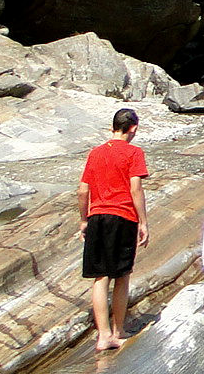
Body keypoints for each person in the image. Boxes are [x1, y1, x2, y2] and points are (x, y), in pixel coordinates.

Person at [77, 108, 149, 351]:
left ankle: (103, 335)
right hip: (122, 217)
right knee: (121, 275)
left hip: (97, 217)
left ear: (112, 127)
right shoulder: (134, 152)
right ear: (133, 128)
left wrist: (84, 219)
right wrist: (143, 222)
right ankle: (118, 330)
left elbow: (82, 190)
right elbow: (136, 188)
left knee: (100, 277)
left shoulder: (95, 153)